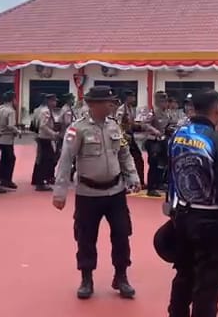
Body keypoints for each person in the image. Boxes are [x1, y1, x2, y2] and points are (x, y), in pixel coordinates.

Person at [52, 86, 140, 300]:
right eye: (107, 102)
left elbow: (124, 153)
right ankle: (86, 277)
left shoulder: (114, 126)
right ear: (93, 104)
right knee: (85, 237)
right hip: (88, 193)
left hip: (116, 192)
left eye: (112, 101)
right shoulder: (77, 129)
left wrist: (133, 176)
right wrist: (60, 192)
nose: (112, 104)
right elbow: (65, 160)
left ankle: (121, 276)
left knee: (122, 234)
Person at [165, 89, 218, 317]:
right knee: (208, 284)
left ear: (192, 109)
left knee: (183, 274)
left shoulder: (177, 134)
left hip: (183, 215)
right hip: (211, 219)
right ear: (217, 110)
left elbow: (171, 176)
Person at [141, 91, 174, 197]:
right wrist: (154, 130)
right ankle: (151, 188)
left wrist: (170, 129)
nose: (165, 103)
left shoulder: (167, 113)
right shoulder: (152, 112)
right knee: (154, 164)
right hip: (153, 141)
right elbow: (145, 124)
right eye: (163, 101)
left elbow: (168, 124)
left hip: (163, 141)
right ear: (158, 101)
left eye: (166, 101)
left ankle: (159, 183)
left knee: (163, 164)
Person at [116, 90, 145, 187]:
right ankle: (125, 182)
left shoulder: (131, 108)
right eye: (132, 97)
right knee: (125, 159)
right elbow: (118, 124)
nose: (134, 98)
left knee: (137, 158)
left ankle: (139, 181)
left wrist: (140, 126)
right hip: (124, 136)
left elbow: (131, 123)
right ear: (127, 98)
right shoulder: (121, 109)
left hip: (130, 135)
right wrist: (123, 135)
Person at [0, 91, 19, 194]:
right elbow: (10, 126)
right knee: (6, 160)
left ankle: (6, 179)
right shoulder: (10, 111)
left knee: (8, 159)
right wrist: (18, 131)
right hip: (7, 138)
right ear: (12, 100)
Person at [31, 93, 59, 192]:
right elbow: (43, 125)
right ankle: (40, 182)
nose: (55, 103)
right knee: (46, 160)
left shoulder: (41, 110)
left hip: (42, 137)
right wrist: (53, 134)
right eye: (54, 101)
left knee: (42, 159)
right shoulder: (46, 111)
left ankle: (38, 180)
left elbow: (34, 124)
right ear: (49, 101)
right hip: (45, 137)